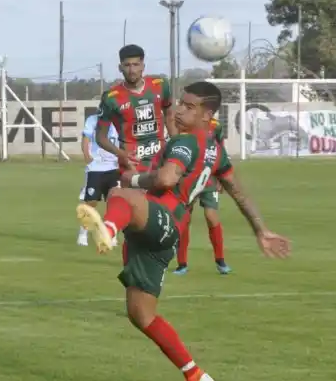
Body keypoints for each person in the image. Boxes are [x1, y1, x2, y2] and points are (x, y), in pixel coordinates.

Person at [76, 81, 290, 381]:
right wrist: (261, 230)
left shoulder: (185, 143)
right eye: (180, 103)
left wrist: (133, 177)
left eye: (189, 106)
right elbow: (238, 192)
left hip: (160, 218)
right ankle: (195, 375)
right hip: (166, 233)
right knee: (141, 314)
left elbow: (164, 179)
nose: (179, 109)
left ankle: (107, 230)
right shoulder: (215, 150)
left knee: (122, 193)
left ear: (207, 115)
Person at [95, 44, 175, 179]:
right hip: (132, 164)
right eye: (127, 65)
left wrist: (176, 143)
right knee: (136, 199)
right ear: (120, 67)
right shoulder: (111, 98)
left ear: (143, 65)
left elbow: (170, 115)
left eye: (136, 64)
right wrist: (121, 154)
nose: (132, 70)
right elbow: (100, 137)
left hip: (161, 160)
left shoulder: (160, 85)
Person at [174, 116, 231, 275]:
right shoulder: (186, 123)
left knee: (211, 216)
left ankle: (220, 261)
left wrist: (221, 177)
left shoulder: (215, 126)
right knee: (185, 218)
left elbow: (220, 149)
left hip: (208, 177)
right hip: (189, 177)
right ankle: (182, 263)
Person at [77, 112, 121, 246]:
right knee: (91, 202)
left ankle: (110, 234)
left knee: (114, 202)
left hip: (114, 167)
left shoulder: (120, 120)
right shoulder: (93, 120)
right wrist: (86, 154)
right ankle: (83, 232)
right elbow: (86, 138)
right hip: (96, 167)